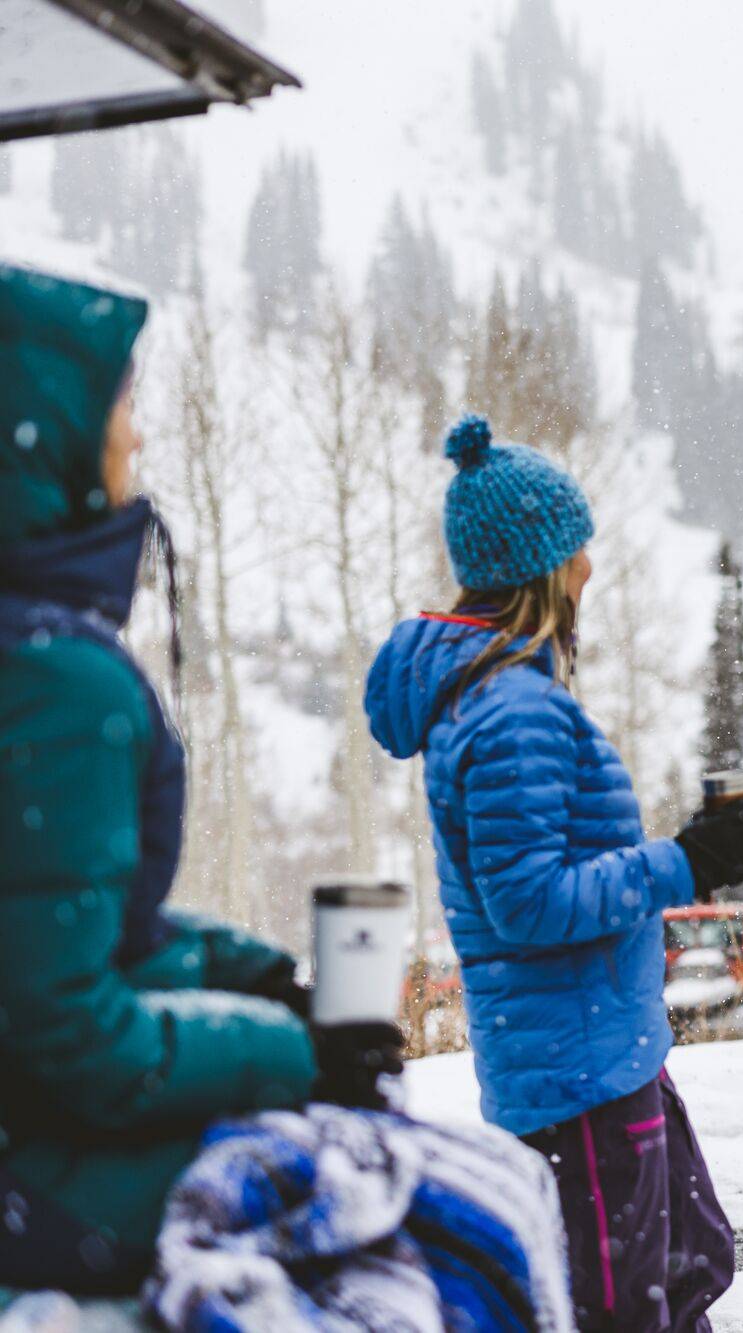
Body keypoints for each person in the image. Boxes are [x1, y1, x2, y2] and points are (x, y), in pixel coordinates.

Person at [0, 263, 401, 1295]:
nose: (133, 436)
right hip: (33, 1173)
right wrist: (293, 1054)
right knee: (424, 1198)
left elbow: (54, 932)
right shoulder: (55, 681)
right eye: (117, 407)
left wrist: (254, 975)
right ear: (39, 433)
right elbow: (64, 1029)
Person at [364, 414, 743, 1333]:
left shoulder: (503, 692)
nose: (590, 565)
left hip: (593, 1052)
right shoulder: (512, 707)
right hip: (577, 1075)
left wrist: (693, 846)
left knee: (681, 1274)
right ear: (542, 565)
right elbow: (528, 900)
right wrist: (686, 862)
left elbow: (555, 867)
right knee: (621, 1308)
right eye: (576, 545)